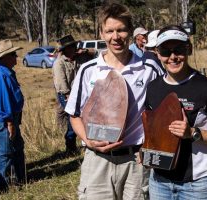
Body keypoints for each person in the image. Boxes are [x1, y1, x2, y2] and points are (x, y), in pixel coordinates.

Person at [64, 3, 163, 199]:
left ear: (130, 32)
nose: (115, 37)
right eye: (109, 31)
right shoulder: (88, 70)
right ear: (101, 33)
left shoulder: (149, 68)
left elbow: (163, 113)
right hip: (97, 161)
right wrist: (88, 141)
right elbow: (74, 115)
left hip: (137, 161)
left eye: (121, 30)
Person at [144, 25, 207, 200]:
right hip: (159, 182)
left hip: (197, 184)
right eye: (165, 50)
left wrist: (193, 133)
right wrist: (145, 152)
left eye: (178, 49)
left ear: (189, 49)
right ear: (157, 52)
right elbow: (151, 131)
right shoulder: (153, 88)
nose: (172, 57)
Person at [0, 39, 26, 191]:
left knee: (17, 148)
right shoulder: (0, 75)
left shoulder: (6, 72)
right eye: (13, 54)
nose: (16, 57)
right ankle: (3, 186)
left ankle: (20, 179)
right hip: (6, 119)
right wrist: (10, 123)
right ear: (4, 57)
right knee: (6, 152)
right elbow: (3, 102)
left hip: (11, 117)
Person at [53, 34, 81, 154]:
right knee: (72, 119)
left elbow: (96, 52)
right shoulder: (59, 63)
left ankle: (76, 144)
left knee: (79, 119)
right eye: (69, 47)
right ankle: (70, 147)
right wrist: (68, 96)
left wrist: (84, 51)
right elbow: (61, 83)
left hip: (79, 94)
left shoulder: (79, 58)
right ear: (64, 50)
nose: (72, 49)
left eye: (73, 46)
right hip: (67, 95)